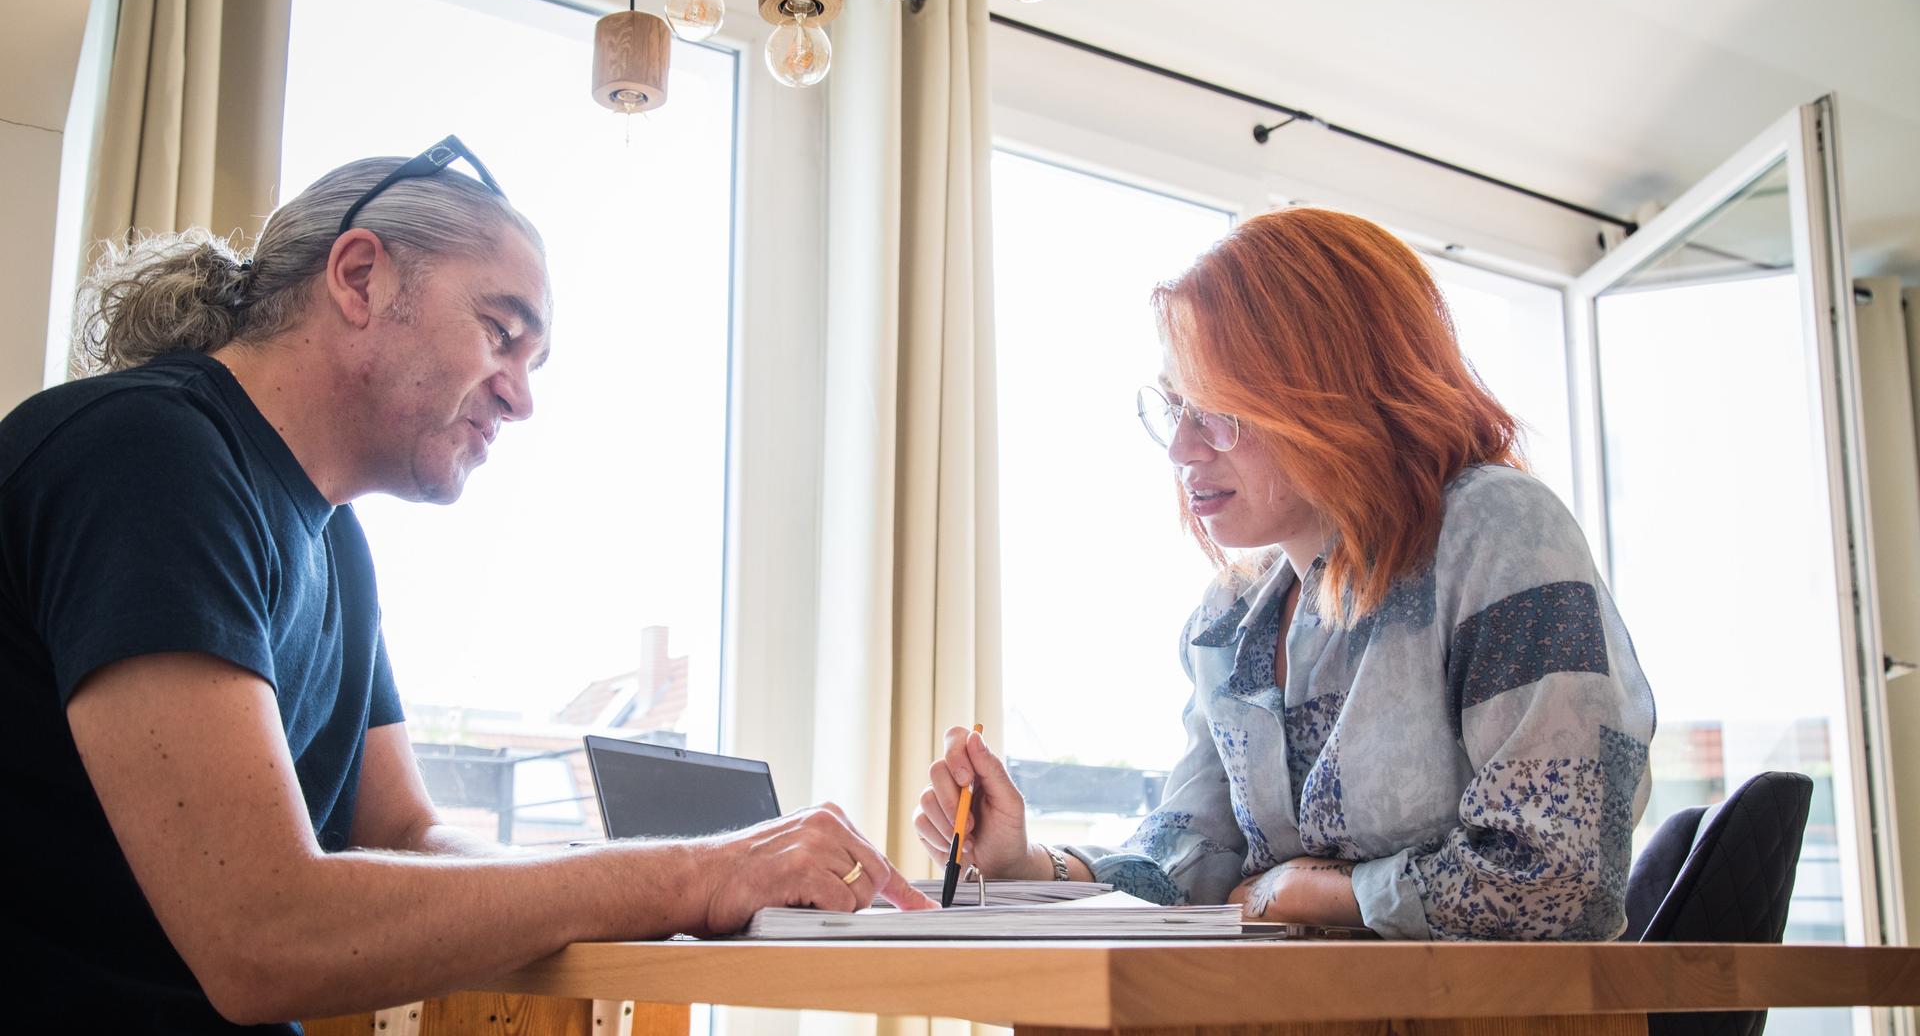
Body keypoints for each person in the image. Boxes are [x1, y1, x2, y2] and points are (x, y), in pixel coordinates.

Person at [0, 138, 928, 1034]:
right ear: (360, 276)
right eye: (501, 333)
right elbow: (263, 930)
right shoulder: (146, 455)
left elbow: (408, 832)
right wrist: (691, 873)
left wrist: (657, 870)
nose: (521, 397)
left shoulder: (336, 546)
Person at [916, 207, 1656, 941]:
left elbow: (1559, 879)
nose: (1179, 448)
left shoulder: (1496, 529)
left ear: (1331, 394)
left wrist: (1302, 892)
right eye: (1174, 406)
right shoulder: (1227, 619)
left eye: (1212, 410)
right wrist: (1023, 864)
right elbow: (1188, 866)